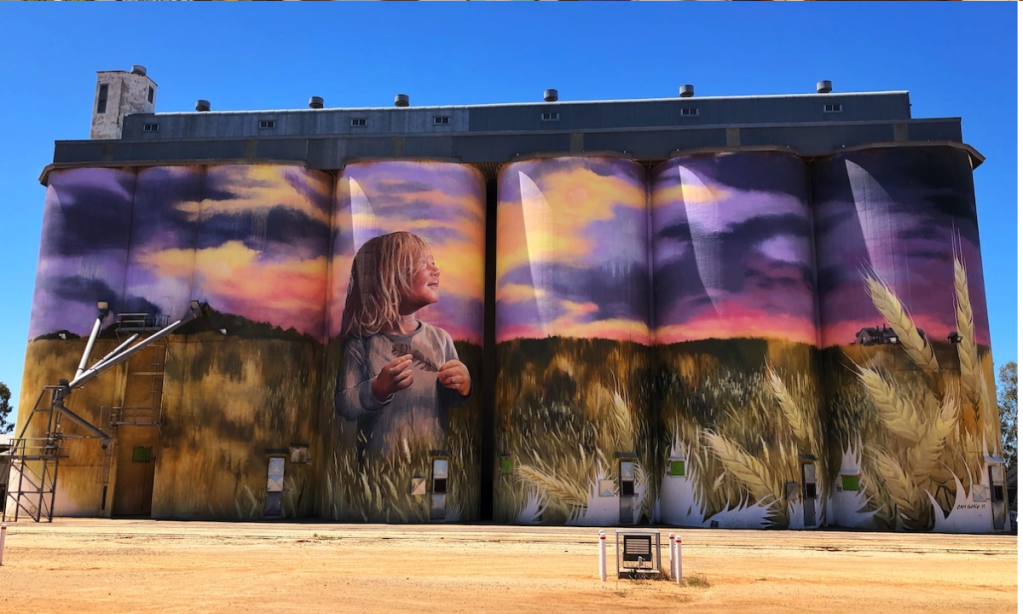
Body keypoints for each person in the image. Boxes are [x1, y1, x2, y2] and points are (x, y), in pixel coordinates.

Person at [335, 231, 471, 456]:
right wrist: (376, 389)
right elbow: (344, 404)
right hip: (378, 472)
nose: (436, 270)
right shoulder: (360, 345)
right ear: (387, 277)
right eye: (421, 263)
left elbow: (452, 401)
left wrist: (464, 386)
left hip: (433, 461)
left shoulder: (441, 339)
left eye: (433, 262)